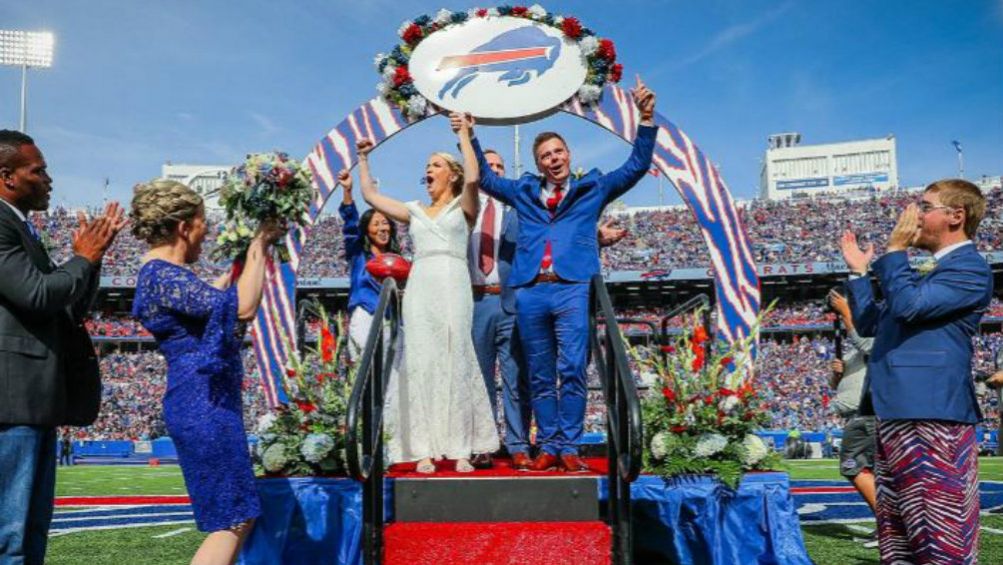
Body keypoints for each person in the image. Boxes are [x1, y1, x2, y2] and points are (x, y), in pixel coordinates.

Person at [462, 76, 656, 472]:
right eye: (546, 155)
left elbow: (636, 166)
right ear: (538, 164)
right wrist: (470, 136)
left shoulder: (593, 188)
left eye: (558, 152)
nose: (553, 159)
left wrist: (646, 119)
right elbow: (485, 177)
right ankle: (547, 445)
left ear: (568, 155)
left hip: (571, 287)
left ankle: (569, 445)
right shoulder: (524, 192)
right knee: (538, 373)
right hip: (531, 290)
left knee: (571, 369)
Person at [130, 180, 282, 565]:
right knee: (233, 517)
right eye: (202, 225)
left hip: (202, 401)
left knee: (236, 514)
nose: (206, 234)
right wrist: (259, 244)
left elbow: (214, 305)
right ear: (183, 227)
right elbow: (243, 308)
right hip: (204, 404)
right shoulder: (164, 275)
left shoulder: (163, 275)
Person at [841, 179, 992, 564]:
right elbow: (873, 323)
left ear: (956, 216)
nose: (915, 215)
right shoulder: (929, 274)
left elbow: (907, 307)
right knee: (898, 537)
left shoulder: (969, 268)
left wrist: (895, 251)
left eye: (925, 207)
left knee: (941, 538)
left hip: (931, 415)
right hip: (897, 413)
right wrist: (860, 274)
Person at [0, 129, 124, 565]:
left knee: (31, 533)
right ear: (6, 176)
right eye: (39, 170)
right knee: (9, 537)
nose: (49, 179)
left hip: (34, 402)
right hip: (11, 404)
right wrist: (82, 259)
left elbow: (66, 309)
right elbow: (35, 295)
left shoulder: (23, 228)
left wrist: (94, 260)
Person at [466, 149, 628, 470]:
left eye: (501, 167)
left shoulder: (521, 208)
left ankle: (521, 444)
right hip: (476, 301)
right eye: (491, 168)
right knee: (479, 379)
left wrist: (596, 236)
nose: (495, 173)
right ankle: (480, 444)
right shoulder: (466, 210)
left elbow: (559, 232)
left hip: (517, 299)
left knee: (522, 379)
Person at [356, 113, 498, 474]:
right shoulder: (414, 211)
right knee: (421, 361)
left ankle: (461, 447)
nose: (428, 170)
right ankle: (423, 450)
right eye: (426, 166)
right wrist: (364, 159)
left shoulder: (463, 207)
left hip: (453, 281)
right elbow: (370, 194)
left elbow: (475, 175)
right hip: (421, 287)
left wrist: (464, 135)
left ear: (450, 173)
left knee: (457, 357)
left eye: (435, 165)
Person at [333, 168, 402, 361]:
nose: (382, 228)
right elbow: (350, 226)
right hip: (366, 315)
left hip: (393, 320)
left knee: (391, 376)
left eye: (385, 223)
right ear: (367, 230)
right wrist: (347, 190)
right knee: (367, 370)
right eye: (376, 224)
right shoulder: (359, 255)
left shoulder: (397, 260)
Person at [827, 289, 878, 547]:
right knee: (874, 472)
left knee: (853, 466)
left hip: (866, 414)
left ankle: (886, 523)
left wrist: (846, 313)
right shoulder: (855, 351)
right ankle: (890, 525)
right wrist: (837, 374)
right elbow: (836, 385)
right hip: (858, 415)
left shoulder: (873, 340)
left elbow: (866, 342)